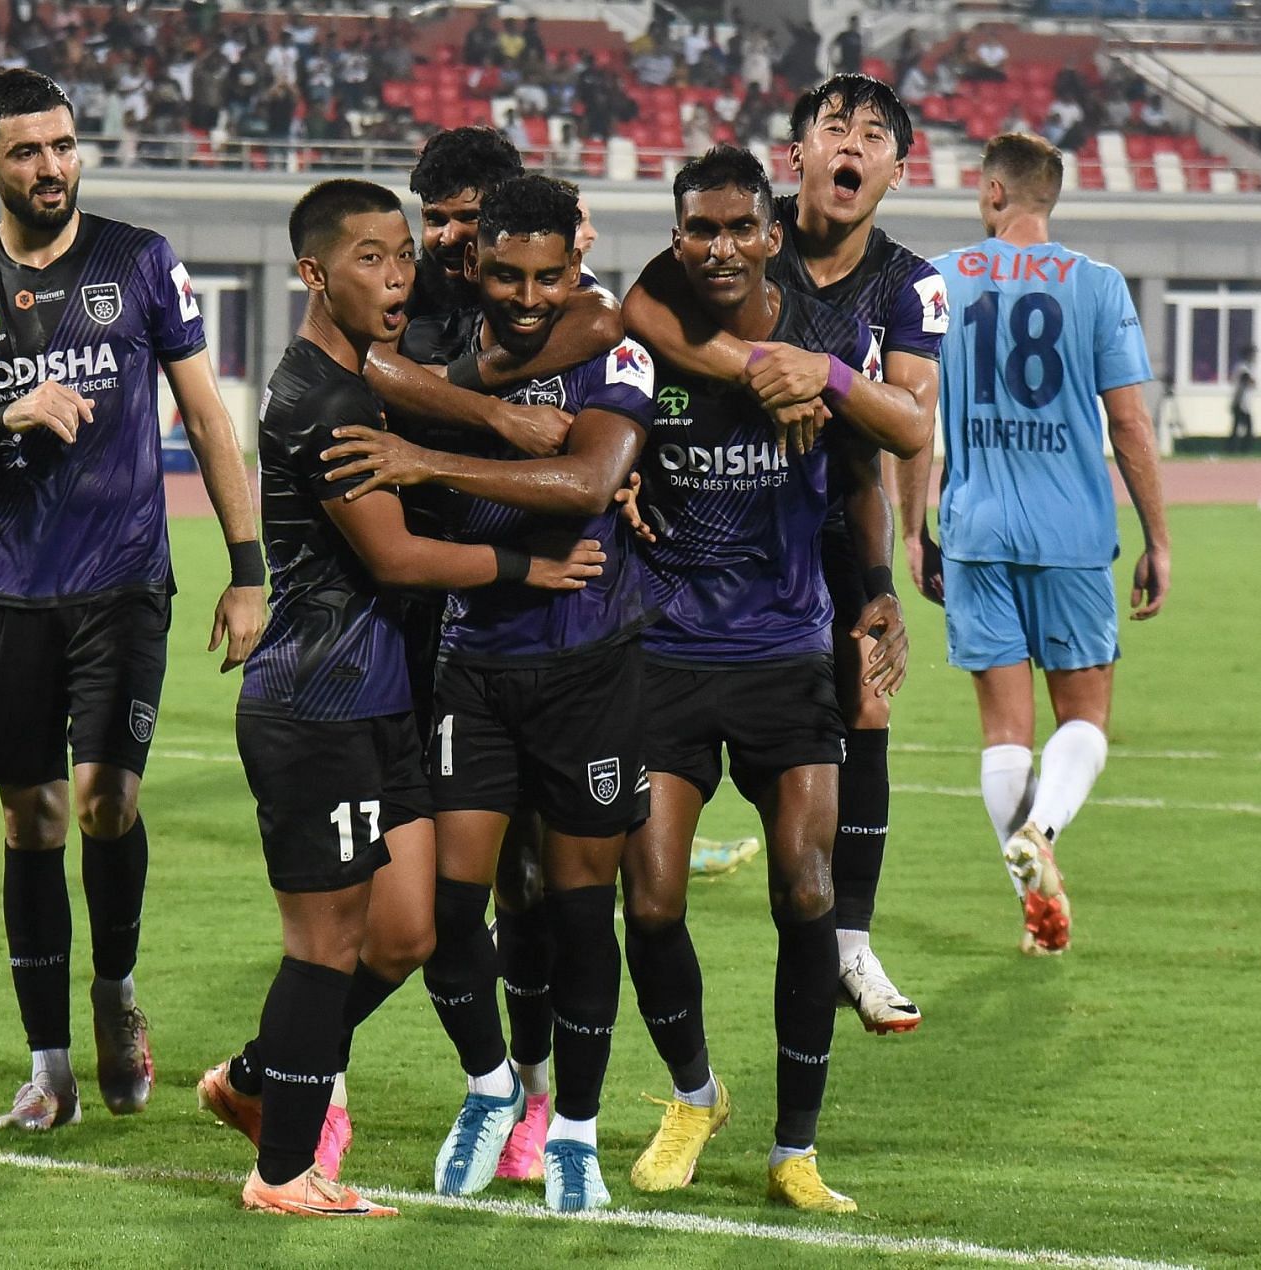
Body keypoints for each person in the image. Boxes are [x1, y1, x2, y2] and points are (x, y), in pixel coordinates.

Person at [201, 179, 601, 1217]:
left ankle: (255, 1080)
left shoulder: (362, 377)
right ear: (313, 274)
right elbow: (397, 555)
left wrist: (491, 424)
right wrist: (525, 571)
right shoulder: (319, 401)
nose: (396, 274)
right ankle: (282, 1172)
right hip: (316, 702)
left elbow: (415, 383)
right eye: (370, 258)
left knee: (409, 933)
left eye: (400, 254)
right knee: (324, 946)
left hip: (383, 704)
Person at [0, 69, 267, 1132]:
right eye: (26, 151)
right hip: (9, 590)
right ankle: (48, 1067)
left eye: (63, 145)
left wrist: (249, 571)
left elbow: (205, 418)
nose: (52, 166)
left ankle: (116, 993)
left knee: (108, 800)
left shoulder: (142, 261)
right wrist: (1, 420)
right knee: (33, 818)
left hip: (123, 579)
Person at [320, 175, 654, 1213]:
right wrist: (473, 422)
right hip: (474, 656)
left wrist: (433, 456)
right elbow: (360, 360)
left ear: (574, 266)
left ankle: (578, 1135)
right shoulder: (440, 348)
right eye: (506, 272)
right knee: (451, 907)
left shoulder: (617, 344)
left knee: (579, 911)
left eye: (546, 275)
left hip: (591, 660)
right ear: (476, 263)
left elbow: (590, 483)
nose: (525, 293)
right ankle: (489, 1083)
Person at [624, 73, 947, 1035]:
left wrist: (890, 569)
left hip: (830, 516)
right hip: (712, 517)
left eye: (874, 134)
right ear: (795, 155)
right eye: (833, 127)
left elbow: (907, 426)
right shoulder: (734, 236)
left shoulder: (907, 282)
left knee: (869, 693)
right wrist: (766, 369)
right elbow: (643, 315)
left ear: (895, 166)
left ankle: (851, 943)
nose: (853, 144)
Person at [621, 146, 909, 1213]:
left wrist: (874, 582)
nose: (724, 245)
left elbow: (870, 472)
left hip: (788, 652)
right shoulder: (649, 332)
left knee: (806, 887)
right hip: (666, 651)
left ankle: (795, 1147)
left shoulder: (823, 345)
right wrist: (619, 485)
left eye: (742, 225)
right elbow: (608, 430)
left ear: (771, 231)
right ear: (677, 235)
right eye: (702, 228)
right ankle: (695, 1095)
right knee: (648, 900)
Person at [905, 132, 1171, 955]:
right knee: (1085, 720)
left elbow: (909, 421)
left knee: (1004, 732)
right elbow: (1127, 421)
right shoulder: (1096, 285)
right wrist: (1158, 537)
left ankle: (1032, 897)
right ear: (1049, 198)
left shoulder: (937, 282)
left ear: (992, 194)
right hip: (1072, 531)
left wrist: (913, 530)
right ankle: (1043, 832)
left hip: (975, 528)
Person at [1228, 350, 1255, 452]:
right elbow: (1246, 378)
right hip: (1239, 402)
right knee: (1245, 428)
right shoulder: (1242, 367)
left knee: (1238, 428)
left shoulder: (1250, 367)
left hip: (1245, 403)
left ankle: (1235, 448)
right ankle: (1241, 448)